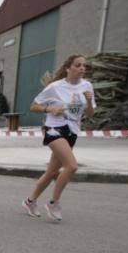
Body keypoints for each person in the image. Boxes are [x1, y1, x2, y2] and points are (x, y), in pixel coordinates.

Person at [22, 54, 96, 221]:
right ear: (68, 68)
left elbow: (90, 114)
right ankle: (54, 203)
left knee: (52, 172)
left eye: (84, 66)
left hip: (72, 130)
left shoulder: (87, 86)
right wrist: (50, 109)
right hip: (55, 128)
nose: (82, 69)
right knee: (72, 166)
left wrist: (89, 102)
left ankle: (30, 201)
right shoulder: (55, 87)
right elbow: (34, 106)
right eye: (78, 65)